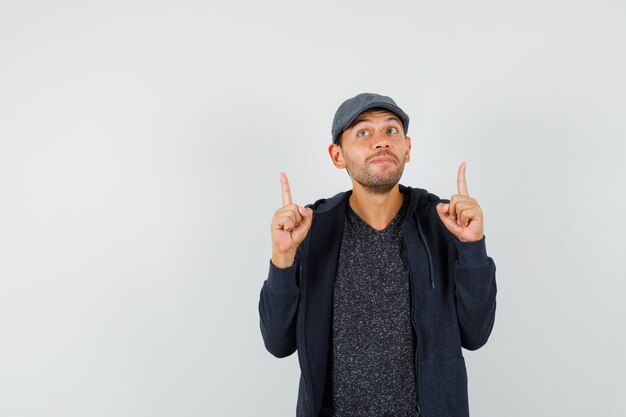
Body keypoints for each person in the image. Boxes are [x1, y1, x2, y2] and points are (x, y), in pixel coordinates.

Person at [259, 93, 497, 417]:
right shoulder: (311, 229)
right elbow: (278, 343)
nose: (381, 142)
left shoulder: (445, 223)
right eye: (363, 132)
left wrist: (472, 248)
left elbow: (476, 334)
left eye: (391, 131)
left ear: (407, 149)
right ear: (337, 155)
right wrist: (282, 259)